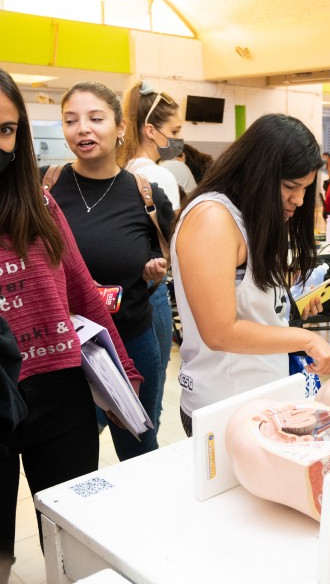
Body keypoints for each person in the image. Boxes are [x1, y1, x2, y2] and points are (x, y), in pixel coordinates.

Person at [0, 68, 142, 577]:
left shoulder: (38, 204)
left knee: (73, 534)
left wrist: (122, 370)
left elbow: (83, 290)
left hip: (60, 391)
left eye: (6, 129)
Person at [172, 114, 330, 437]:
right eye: (290, 187)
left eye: (304, 189)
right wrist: (308, 339)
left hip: (260, 398)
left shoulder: (249, 215)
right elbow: (219, 331)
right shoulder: (212, 218)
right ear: (258, 171)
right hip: (225, 407)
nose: (298, 200)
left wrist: (289, 306)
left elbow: (247, 301)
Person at [46, 81, 171, 461]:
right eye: (71, 120)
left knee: (138, 447)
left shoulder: (146, 195)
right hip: (62, 344)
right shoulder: (45, 187)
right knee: (70, 451)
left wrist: (155, 269)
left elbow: (160, 254)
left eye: (95, 118)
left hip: (130, 340)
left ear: (120, 127)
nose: (82, 128)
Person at [119, 81, 183, 437]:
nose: (176, 139)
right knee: (150, 397)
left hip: (124, 291)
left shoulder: (123, 168)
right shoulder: (159, 176)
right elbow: (174, 244)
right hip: (154, 289)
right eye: (173, 131)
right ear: (150, 130)